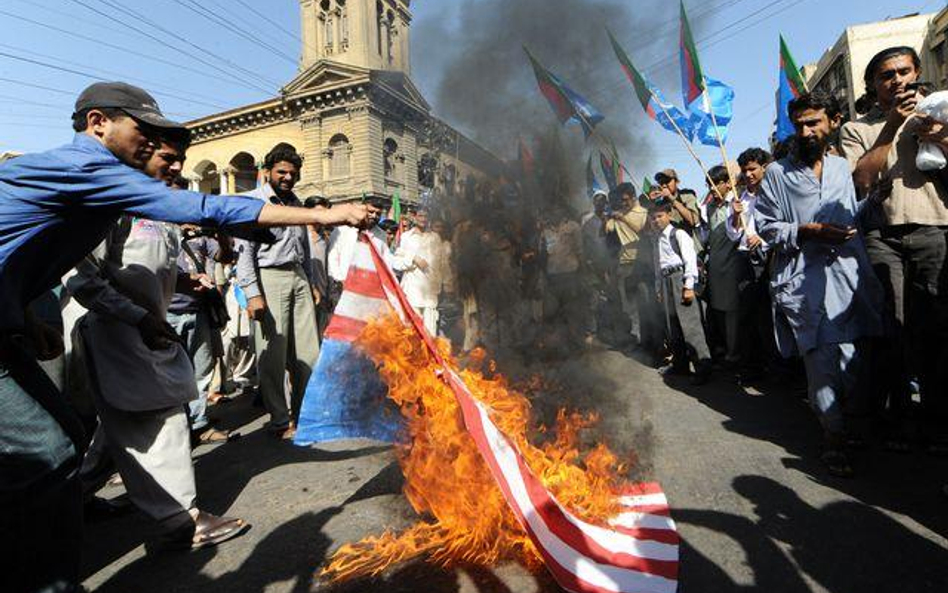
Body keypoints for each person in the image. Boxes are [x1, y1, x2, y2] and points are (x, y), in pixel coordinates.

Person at [0, 81, 376, 593]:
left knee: (64, 436)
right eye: (145, 132)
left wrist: (23, 314)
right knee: (47, 454)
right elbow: (208, 209)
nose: (155, 148)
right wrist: (324, 214)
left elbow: (22, 246)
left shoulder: (98, 180)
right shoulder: (90, 168)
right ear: (97, 124)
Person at [65, 129, 252, 550]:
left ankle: (74, 497)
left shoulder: (159, 209)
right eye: (167, 157)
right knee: (160, 417)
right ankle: (181, 520)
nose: (176, 167)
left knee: (116, 427)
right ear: (142, 154)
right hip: (116, 330)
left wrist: (187, 279)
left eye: (180, 160)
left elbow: (150, 265)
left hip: (146, 329)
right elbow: (81, 276)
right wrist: (136, 316)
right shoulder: (113, 204)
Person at [756, 91, 884, 477]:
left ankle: (844, 421)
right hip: (805, 282)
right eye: (800, 125)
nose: (807, 131)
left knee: (852, 361)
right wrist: (806, 231)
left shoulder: (843, 167)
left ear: (833, 120)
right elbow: (766, 226)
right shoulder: (777, 173)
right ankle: (834, 437)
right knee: (822, 361)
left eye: (814, 122)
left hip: (849, 277)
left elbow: (852, 214)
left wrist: (874, 199)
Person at [839, 46, 948, 453]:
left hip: (936, 229)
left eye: (904, 71)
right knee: (894, 330)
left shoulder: (939, 109)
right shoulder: (858, 128)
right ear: (872, 85)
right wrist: (891, 126)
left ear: (917, 72)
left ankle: (937, 421)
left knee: (936, 329)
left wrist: (937, 133)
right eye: (887, 75)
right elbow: (860, 179)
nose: (897, 80)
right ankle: (901, 418)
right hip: (882, 237)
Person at [235, 144, 322, 441]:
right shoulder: (254, 202)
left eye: (292, 173)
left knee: (309, 352)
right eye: (281, 172)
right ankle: (279, 419)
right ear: (267, 172)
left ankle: (304, 415)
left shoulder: (296, 202)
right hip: (268, 278)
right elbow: (243, 251)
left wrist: (309, 282)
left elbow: (305, 248)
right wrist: (252, 293)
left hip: (298, 276)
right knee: (272, 353)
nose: (287, 177)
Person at [650, 200, 711, 383]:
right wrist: (659, 288)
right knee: (673, 327)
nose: (656, 221)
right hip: (666, 281)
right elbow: (658, 266)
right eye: (653, 218)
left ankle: (703, 369)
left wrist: (688, 286)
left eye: (660, 216)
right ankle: (680, 365)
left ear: (669, 215)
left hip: (680, 279)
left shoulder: (679, 234)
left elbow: (690, 260)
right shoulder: (657, 239)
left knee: (690, 327)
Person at [730, 147, 777, 378]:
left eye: (752, 169)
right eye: (744, 170)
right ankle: (752, 366)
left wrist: (763, 238)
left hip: (769, 258)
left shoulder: (775, 193)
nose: (748, 174)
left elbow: (783, 223)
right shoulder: (739, 198)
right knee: (747, 315)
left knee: (769, 314)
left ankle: (778, 366)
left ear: (763, 168)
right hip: (744, 259)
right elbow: (733, 234)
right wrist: (736, 215)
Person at [702, 165, 753, 371]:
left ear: (725, 183)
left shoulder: (738, 202)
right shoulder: (709, 207)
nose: (712, 190)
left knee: (733, 311)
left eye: (715, 186)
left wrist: (736, 213)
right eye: (709, 186)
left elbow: (740, 233)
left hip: (733, 264)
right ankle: (726, 349)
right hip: (715, 265)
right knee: (719, 309)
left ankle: (735, 353)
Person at [393, 208, 452, 336]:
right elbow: (396, 262)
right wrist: (414, 258)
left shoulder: (435, 237)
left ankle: (428, 356)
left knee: (430, 331)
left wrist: (448, 283)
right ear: (414, 217)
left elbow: (442, 263)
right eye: (420, 216)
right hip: (412, 289)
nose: (423, 219)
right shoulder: (406, 237)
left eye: (426, 216)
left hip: (431, 290)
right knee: (412, 328)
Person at [605, 183, 649, 346]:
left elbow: (640, 229)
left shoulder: (643, 212)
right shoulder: (619, 214)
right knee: (630, 307)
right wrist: (609, 216)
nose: (623, 203)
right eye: (621, 201)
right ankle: (637, 339)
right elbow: (607, 230)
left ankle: (649, 340)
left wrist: (623, 218)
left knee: (645, 304)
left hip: (641, 264)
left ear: (633, 197)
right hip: (624, 266)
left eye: (625, 200)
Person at [655, 168, 701, 233]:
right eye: (661, 183)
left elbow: (694, 220)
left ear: (676, 181)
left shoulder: (687, 196)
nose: (664, 185)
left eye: (667, 181)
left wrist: (671, 198)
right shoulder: (660, 204)